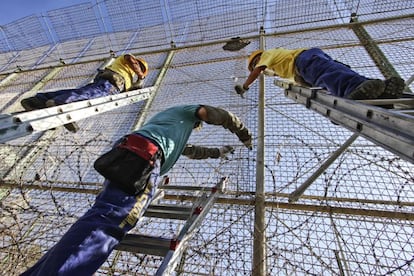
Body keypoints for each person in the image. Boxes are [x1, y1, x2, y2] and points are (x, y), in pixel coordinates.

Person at [21, 104, 252, 276]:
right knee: (113, 220)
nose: (197, 125)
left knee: (103, 215)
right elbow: (214, 114)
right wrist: (243, 133)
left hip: (134, 152)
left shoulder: (167, 127)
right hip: (146, 157)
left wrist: (218, 152)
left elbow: (191, 150)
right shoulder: (186, 113)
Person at [20, 54, 149, 132]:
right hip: (111, 82)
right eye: (140, 68)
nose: (139, 70)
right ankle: (61, 104)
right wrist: (141, 76)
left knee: (82, 93)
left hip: (111, 83)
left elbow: (129, 89)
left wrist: (136, 84)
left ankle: (38, 100)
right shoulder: (127, 60)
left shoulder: (129, 77)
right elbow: (131, 60)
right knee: (92, 97)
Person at [235, 47, 405, 100]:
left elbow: (258, 71)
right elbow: (271, 73)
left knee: (327, 76)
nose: (256, 67)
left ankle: (356, 87)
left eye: (254, 63)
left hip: (303, 61)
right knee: (334, 72)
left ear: (258, 58)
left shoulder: (267, 55)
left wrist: (245, 86)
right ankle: (383, 91)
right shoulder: (278, 63)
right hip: (309, 59)